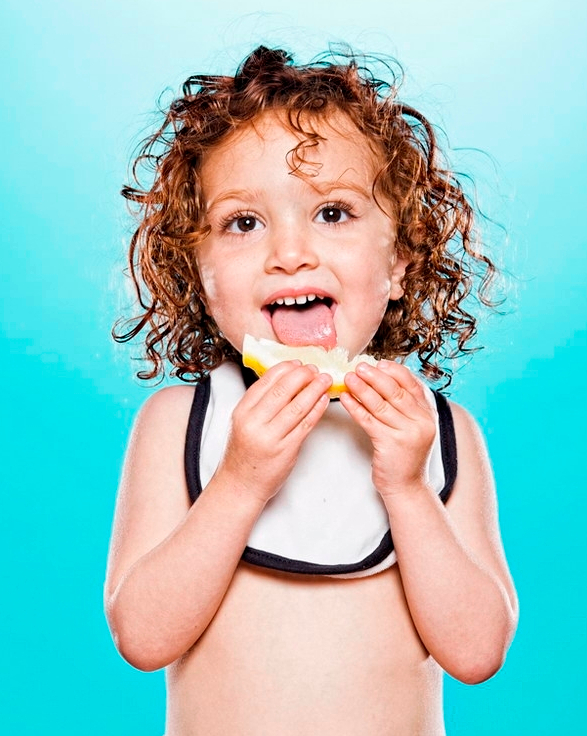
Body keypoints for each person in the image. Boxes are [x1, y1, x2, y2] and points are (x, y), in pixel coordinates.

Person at [105, 45, 518, 735]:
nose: (288, 253)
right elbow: (143, 639)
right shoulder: (179, 421)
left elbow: (475, 653)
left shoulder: (439, 431)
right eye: (243, 223)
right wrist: (239, 481)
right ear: (199, 275)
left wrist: (408, 488)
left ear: (398, 260)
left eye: (332, 213)